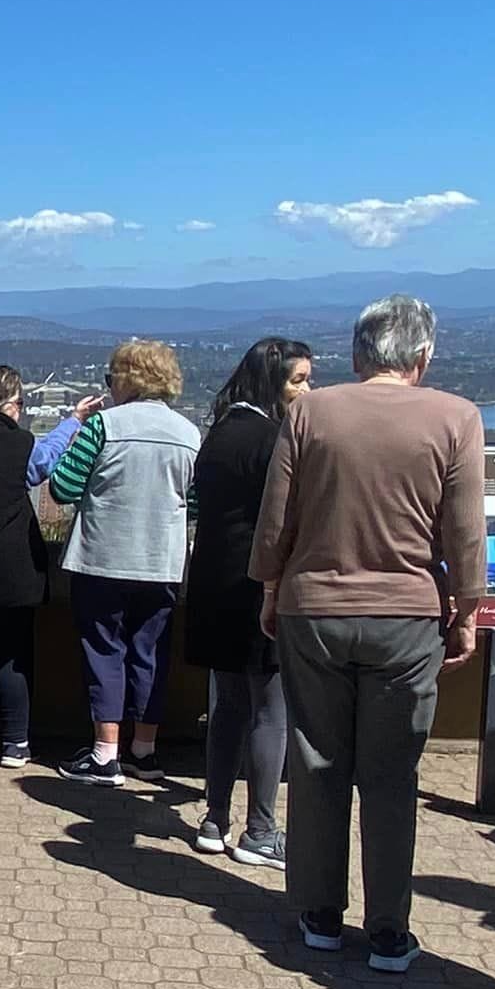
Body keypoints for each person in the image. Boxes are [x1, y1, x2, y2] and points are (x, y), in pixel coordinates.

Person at [250, 295, 483, 973]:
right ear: (423, 356)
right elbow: (465, 531)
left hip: (312, 607)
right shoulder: (456, 417)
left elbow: (277, 517)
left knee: (318, 763)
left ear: (357, 354)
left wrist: (270, 587)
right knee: (389, 775)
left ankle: (319, 914)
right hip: (408, 616)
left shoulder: (311, 413)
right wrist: (467, 610)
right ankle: (388, 929)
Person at [183, 338, 314, 868]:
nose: (307, 390)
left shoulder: (219, 433)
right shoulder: (271, 439)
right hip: (257, 585)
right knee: (270, 709)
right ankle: (261, 829)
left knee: (228, 704)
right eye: (297, 380)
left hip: (213, 580)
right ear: (271, 383)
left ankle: (215, 817)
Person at [48, 339, 200, 786]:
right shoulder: (189, 434)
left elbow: (62, 486)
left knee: (104, 653)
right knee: (150, 655)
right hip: (162, 563)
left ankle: (104, 753)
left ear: (125, 379)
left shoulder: (103, 427)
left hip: (103, 558)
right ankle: (144, 750)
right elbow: (195, 502)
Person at [0, 367, 97, 769]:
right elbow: (43, 463)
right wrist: (73, 422)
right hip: (15, 566)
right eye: (20, 403)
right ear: (4, 406)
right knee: (12, 656)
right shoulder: (20, 443)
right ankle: (16, 742)